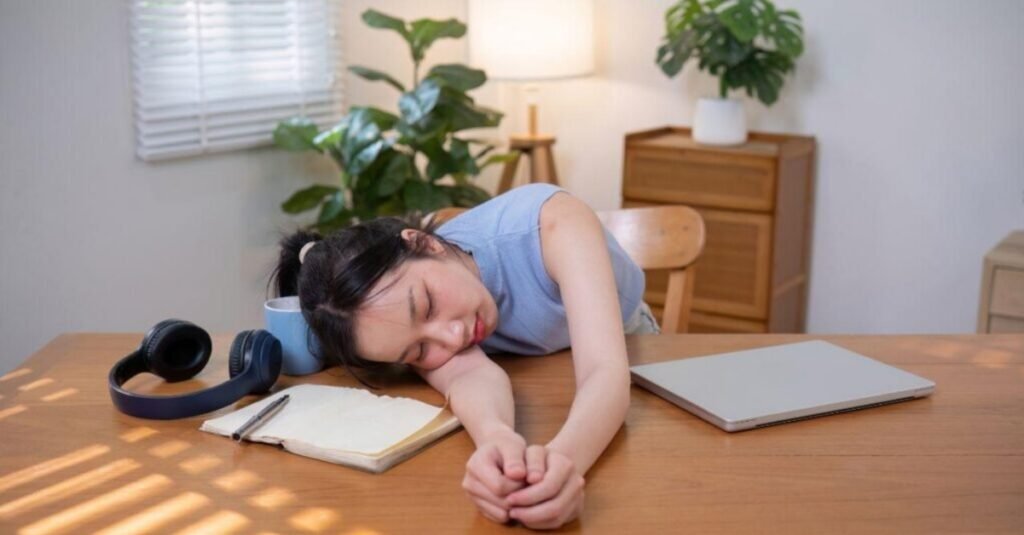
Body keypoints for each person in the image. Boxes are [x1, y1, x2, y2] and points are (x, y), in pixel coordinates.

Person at [271, 184, 660, 529]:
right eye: (418, 351)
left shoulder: (554, 223)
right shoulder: (408, 324)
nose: (452, 337)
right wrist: (495, 439)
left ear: (426, 244)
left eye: (427, 306)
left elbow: (603, 371)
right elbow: (467, 376)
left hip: (625, 341)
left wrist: (561, 466)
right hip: (538, 368)